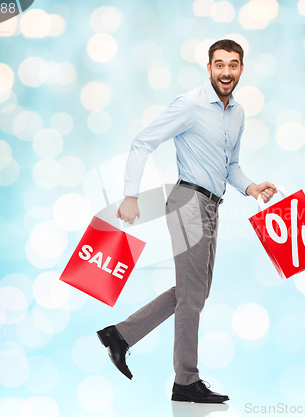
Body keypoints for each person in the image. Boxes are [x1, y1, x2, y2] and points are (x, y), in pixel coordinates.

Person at [97, 39, 277, 404]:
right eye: (220, 64)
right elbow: (142, 142)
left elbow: (231, 167)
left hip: (212, 204)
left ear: (242, 69)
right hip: (187, 201)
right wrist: (131, 195)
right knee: (193, 296)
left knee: (194, 291)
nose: (226, 71)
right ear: (209, 67)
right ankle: (185, 381)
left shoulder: (237, 114)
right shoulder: (191, 104)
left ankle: (120, 335)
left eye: (233, 65)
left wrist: (252, 187)